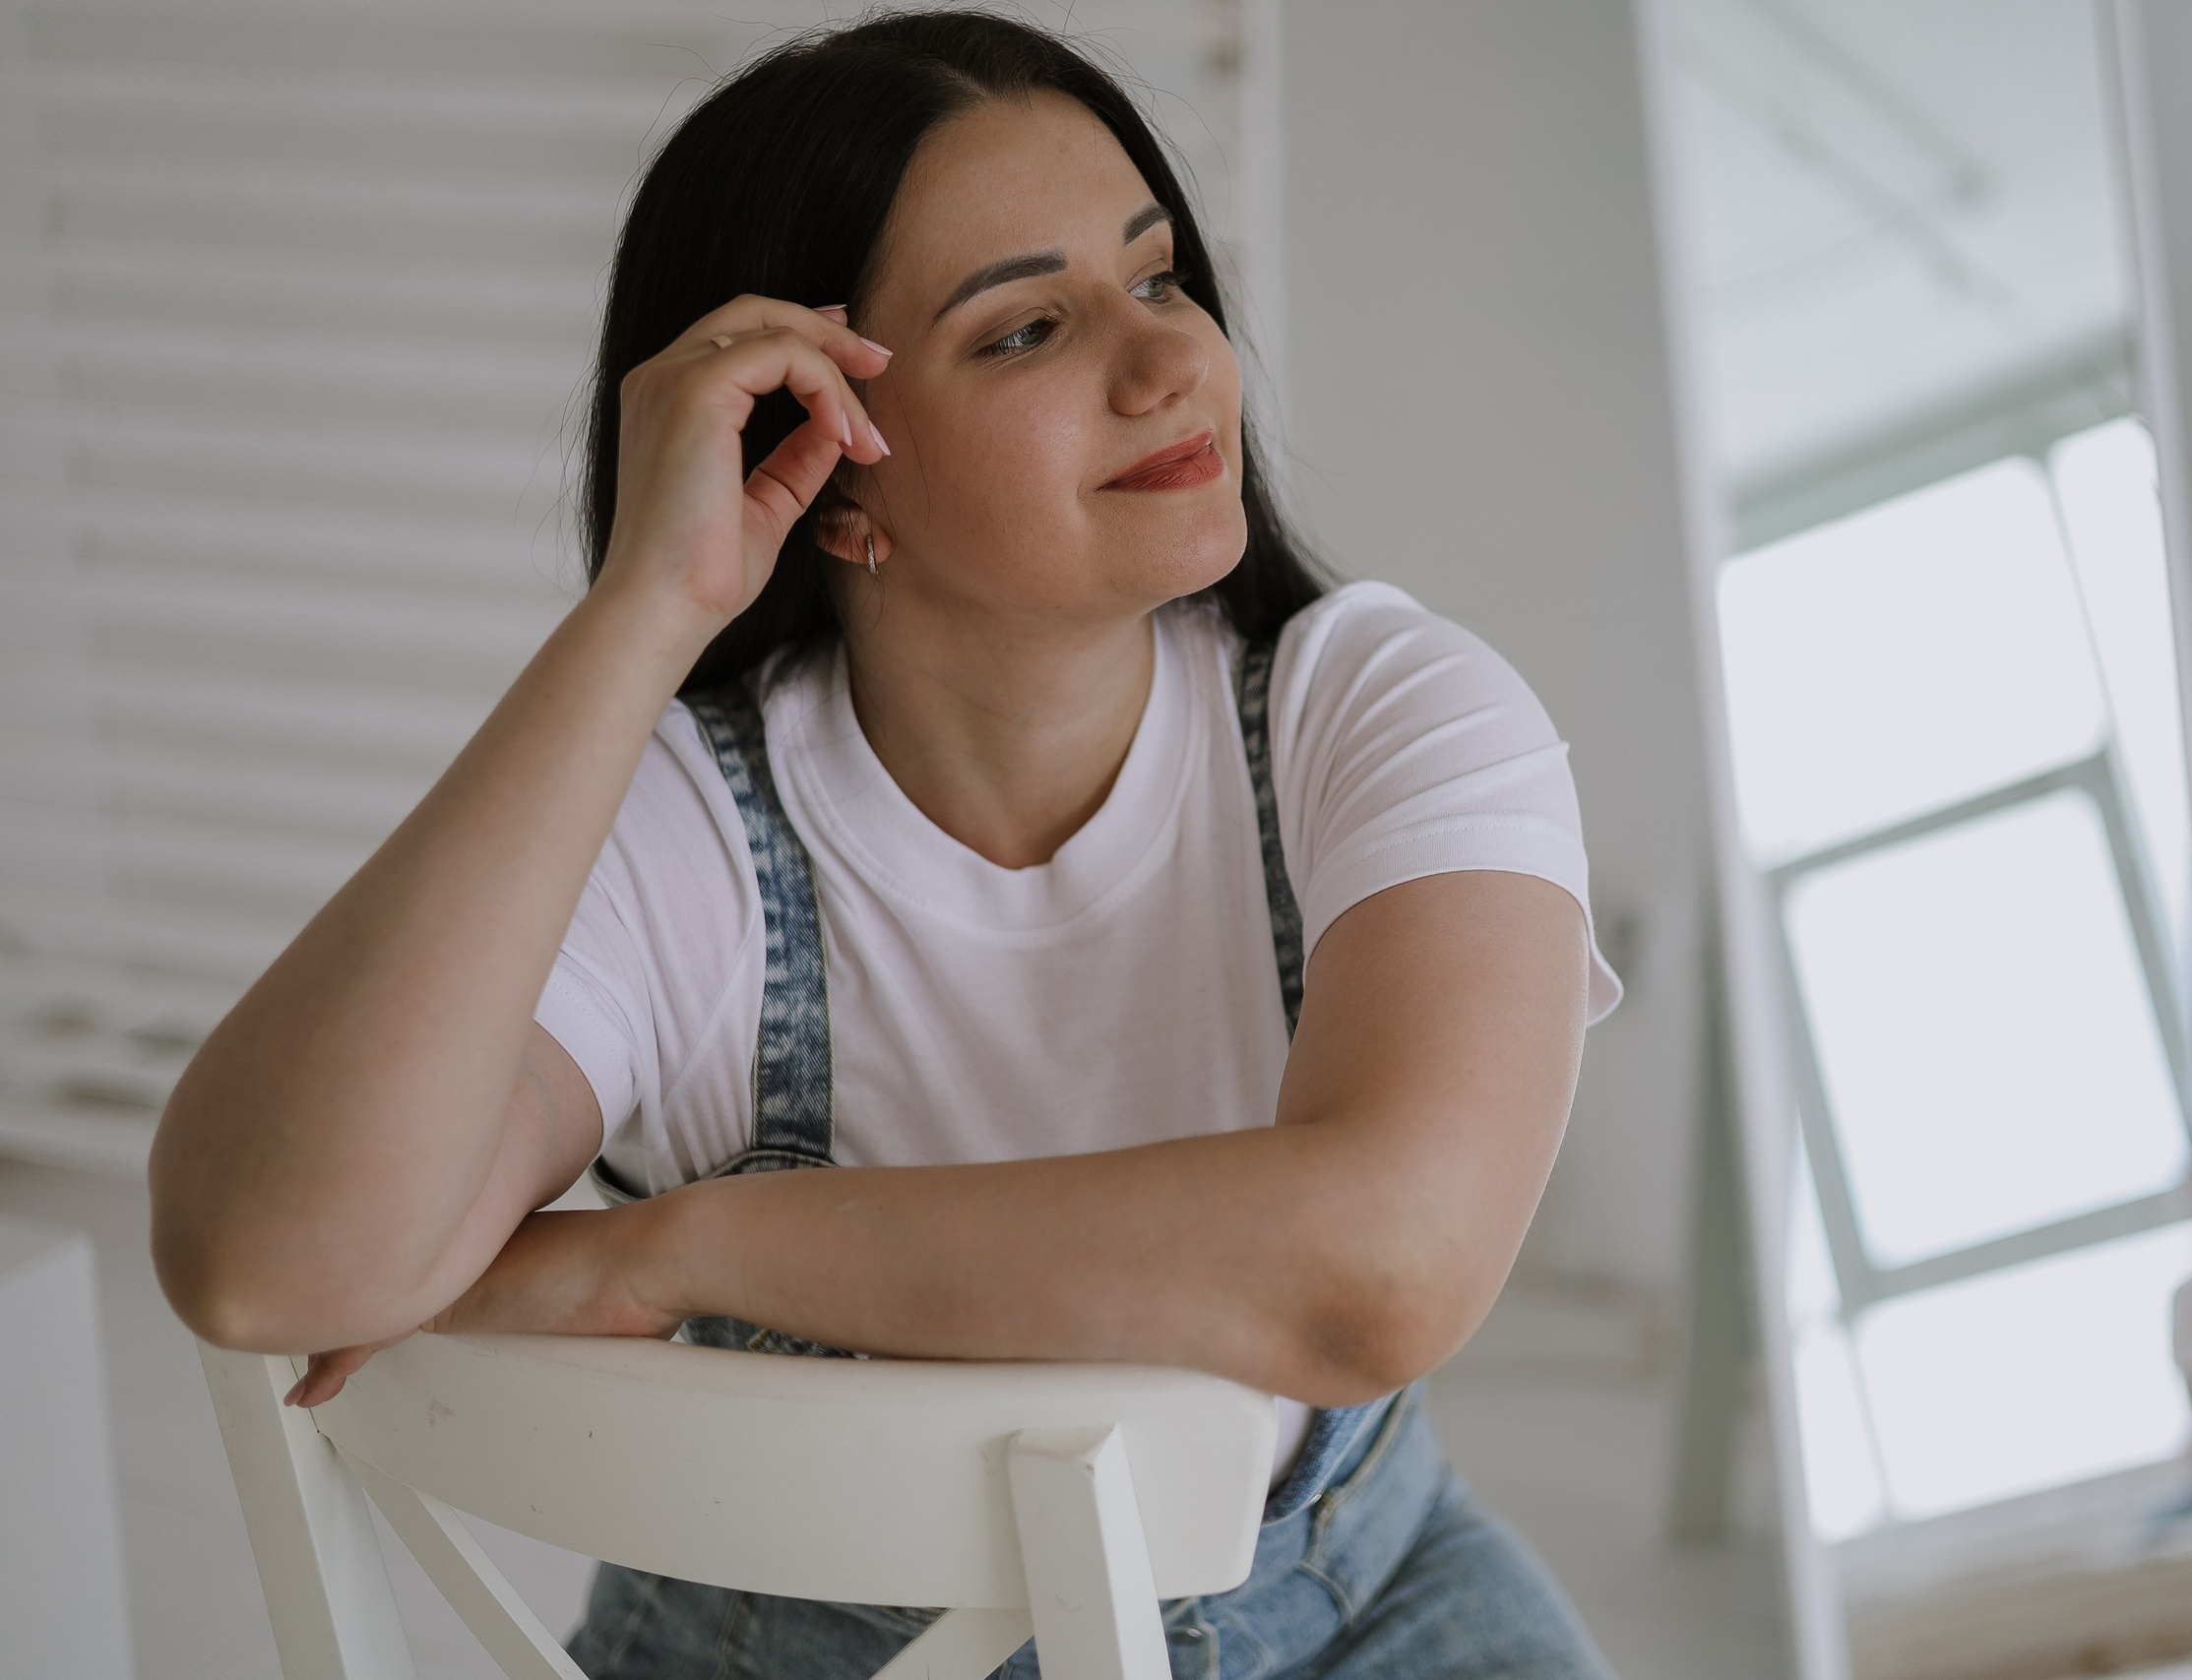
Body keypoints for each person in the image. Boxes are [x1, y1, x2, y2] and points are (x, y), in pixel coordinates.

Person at [150, 12, 1622, 1677]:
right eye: (1026, 330)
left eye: (1158, 278)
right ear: (826, 468)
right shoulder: (689, 834)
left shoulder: (1383, 705)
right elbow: (270, 1261)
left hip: (1362, 1603)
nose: (1168, 366)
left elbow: (1384, 1266)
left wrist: (666, 1253)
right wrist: (648, 606)